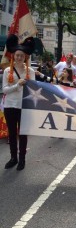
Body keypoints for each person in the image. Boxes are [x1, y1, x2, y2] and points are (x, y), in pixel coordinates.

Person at [3, 34, 35, 171]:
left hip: (24, 107)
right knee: (12, 133)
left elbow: (34, 90)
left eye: (21, 56)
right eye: (17, 55)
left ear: (25, 57)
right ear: (13, 56)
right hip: (10, 106)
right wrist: (17, 85)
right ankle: (13, 158)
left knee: (22, 135)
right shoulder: (7, 71)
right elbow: (4, 90)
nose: (19, 58)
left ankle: (22, 159)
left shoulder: (31, 71)